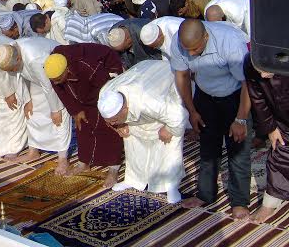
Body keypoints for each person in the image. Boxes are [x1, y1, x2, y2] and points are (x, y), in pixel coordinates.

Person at [170, 19, 251, 219]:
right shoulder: (180, 41)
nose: (190, 54)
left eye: (195, 49)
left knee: (238, 150)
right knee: (207, 146)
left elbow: (248, 83)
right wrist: (192, 110)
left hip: (235, 96)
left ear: (206, 37)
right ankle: (206, 194)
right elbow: (182, 76)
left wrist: (240, 120)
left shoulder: (230, 41)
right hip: (205, 96)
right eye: (187, 49)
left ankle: (239, 202)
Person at [98, 60, 188, 203]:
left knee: (170, 144)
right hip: (142, 73)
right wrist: (117, 126)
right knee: (131, 139)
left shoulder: (148, 100)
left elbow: (179, 115)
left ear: (125, 109)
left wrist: (169, 128)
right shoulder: (105, 94)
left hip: (166, 82)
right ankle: (134, 179)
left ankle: (171, 186)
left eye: (115, 120)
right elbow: (109, 119)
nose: (112, 124)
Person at [44, 44, 124, 186]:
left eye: (57, 79)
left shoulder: (86, 66)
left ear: (67, 70)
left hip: (107, 71)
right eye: (53, 80)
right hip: (87, 84)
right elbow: (60, 92)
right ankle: (84, 163)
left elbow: (105, 88)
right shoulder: (53, 69)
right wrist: (76, 110)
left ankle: (113, 168)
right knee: (82, 122)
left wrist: (98, 109)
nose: (55, 83)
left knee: (106, 123)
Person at [0, 38, 73, 175]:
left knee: (60, 117)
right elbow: (18, 76)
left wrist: (55, 110)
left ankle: (62, 159)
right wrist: (27, 100)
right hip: (35, 77)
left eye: (12, 68)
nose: (11, 71)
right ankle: (33, 151)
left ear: (18, 59)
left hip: (56, 76)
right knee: (31, 111)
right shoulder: (10, 50)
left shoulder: (35, 58)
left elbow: (49, 86)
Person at [244, 54, 289, 223]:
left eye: (266, 71)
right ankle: (269, 205)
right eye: (259, 70)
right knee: (279, 153)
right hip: (281, 119)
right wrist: (271, 127)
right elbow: (258, 98)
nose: (263, 76)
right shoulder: (250, 61)